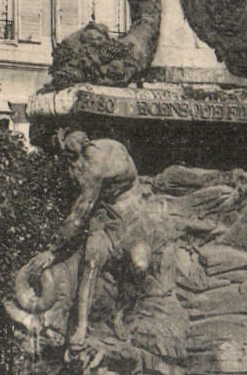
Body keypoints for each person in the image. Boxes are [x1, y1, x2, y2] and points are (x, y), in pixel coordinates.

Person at [22, 130, 153, 350]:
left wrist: (53, 251)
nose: (72, 164)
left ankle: (119, 313)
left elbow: (80, 213)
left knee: (140, 266)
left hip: (132, 219)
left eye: (72, 158)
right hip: (104, 220)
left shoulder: (97, 164)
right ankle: (81, 326)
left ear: (83, 151)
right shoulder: (95, 150)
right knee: (91, 263)